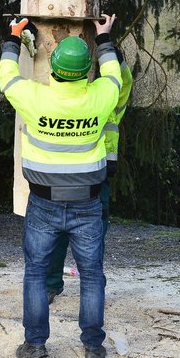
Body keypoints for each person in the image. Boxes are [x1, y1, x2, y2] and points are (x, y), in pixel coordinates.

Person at [0, 14, 122, 358]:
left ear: (52, 67)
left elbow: (7, 76)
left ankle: (35, 343)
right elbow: (113, 75)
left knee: (36, 273)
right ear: (86, 72)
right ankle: (93, 346)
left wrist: (13, 36)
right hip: (87, 204)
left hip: (44, 204)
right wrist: (103, 38)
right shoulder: (101, 97)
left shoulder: (34, 98)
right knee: (93, 276)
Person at [45, 43, 133, 303]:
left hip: (99, 175)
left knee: (92, 238)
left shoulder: (107, 99)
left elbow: (123, 83)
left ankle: (93, 287)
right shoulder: (91, 99)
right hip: (70, 173)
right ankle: (52, 284)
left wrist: (115, 54)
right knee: (59, 235)